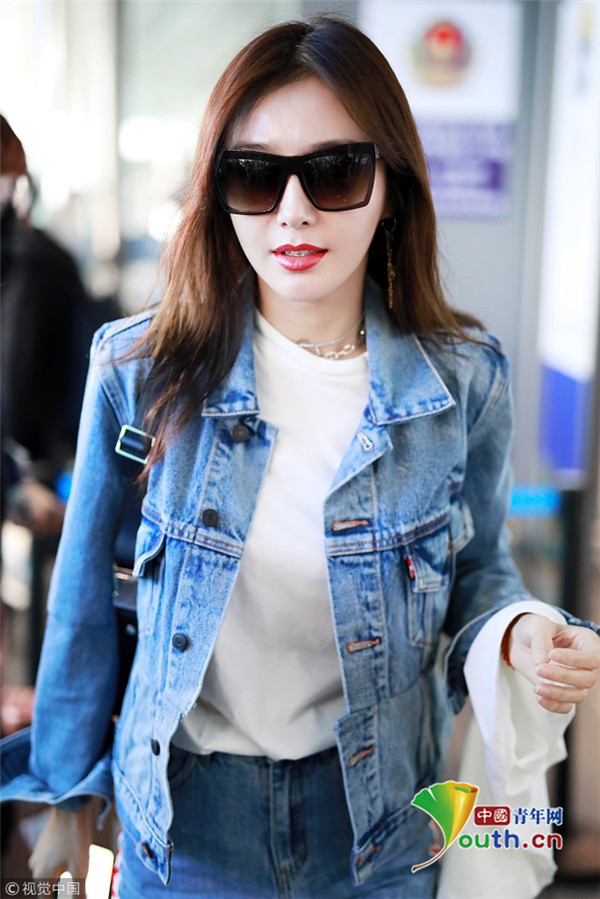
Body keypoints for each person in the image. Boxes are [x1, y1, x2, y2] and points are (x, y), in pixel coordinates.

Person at [1, 16, 599, 899]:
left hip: (384, 821)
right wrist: (65, 787)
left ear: (390, 186)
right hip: (189, 821)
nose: (293, 211)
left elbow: (478, 572)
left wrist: (516, 631)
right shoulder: (139, 371)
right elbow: (83, 603)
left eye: (335, 172)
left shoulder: (462, 381)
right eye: (254, 175)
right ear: (219, 189)